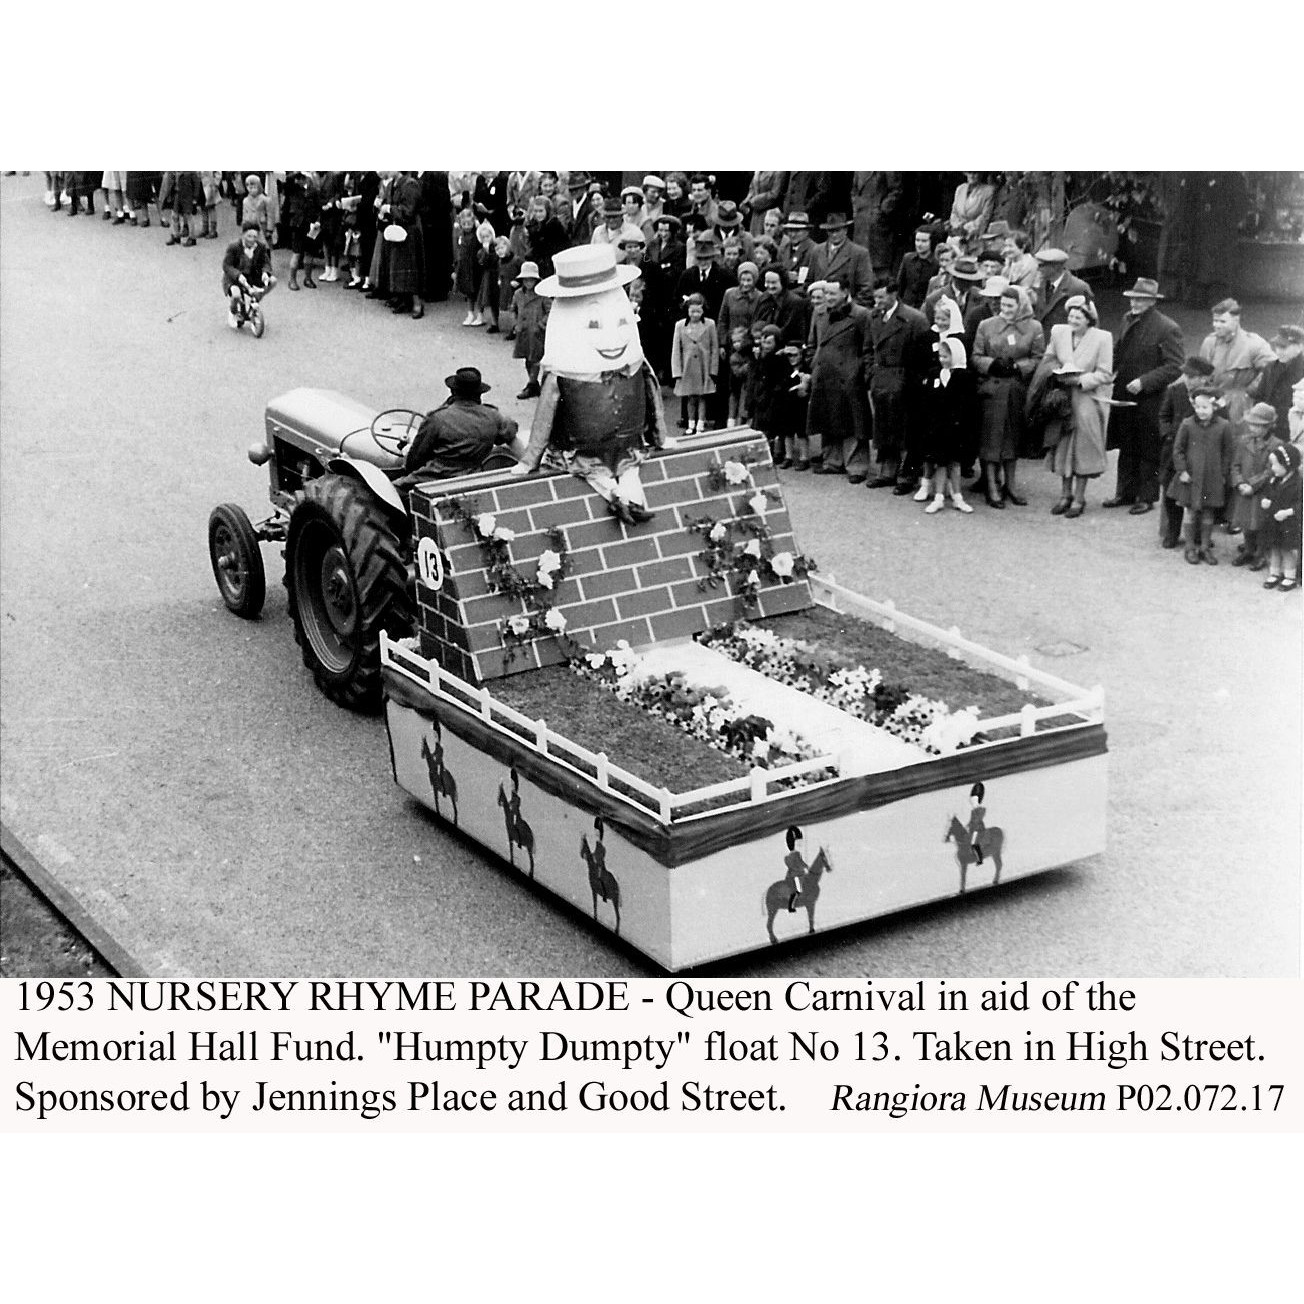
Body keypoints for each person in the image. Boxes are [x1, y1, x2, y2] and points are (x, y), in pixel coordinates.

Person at [515, 244, 670, 525]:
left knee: (620, 467)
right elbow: (547, 410)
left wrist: (530, 460)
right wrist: (529, 460)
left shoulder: (631, 359)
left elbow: (650, 387)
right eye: (594, 324)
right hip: (589, 448)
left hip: (617, 445)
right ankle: (622, 498)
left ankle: (626, 499)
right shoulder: (563, 370)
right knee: (607, 468)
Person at [1105, 277, 1185, 513]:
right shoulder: (1127, 319)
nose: (1135, 303)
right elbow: (1119, 351)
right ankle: (1125, 493)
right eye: (1133, 298)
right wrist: (1106, 371)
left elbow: (1175, 366)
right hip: (1124, 392)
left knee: (1149, 446)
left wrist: (1144, 382)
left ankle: (1146, 497)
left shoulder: (1167, 327)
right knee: (1126, 443)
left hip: (1150, 399)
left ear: (1152, 301)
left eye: (1141, 299)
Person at [1039, 296, 1115, 518]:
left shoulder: (1102, 338)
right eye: (1071, 316)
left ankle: (1079, 497)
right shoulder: (1059, 333)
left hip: (1086, 399)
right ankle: (1065, 495)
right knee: (1063, 447)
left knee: (1083, 449)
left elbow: (1105, 373)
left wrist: (1080, 380)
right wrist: (1058, 371)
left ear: (1089, 320)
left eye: (1078, 318)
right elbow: (1048, 359)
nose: (1072, 321)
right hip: (1063, 398)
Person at [971, 284, 1045, 508]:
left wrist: (1018, 366)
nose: (1005, 309)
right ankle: (991, 486)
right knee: (991, 439)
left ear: (1021, 305)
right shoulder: (986, 325)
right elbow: (976, 355)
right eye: (1002, 304)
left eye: (1010, 305)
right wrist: (992, 364)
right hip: (992, 388)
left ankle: (1010, 485)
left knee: (1012, 437)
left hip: (1015, 389)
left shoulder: (1034, 327)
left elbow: (1039, 357)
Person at [398, 367, 522, 484]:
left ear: (453, 391)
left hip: (434, 478)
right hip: (473, 478)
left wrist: (406, 457)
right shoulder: (494, 417)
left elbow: (414, 461)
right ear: (479, 393)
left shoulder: (437, 418)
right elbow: (511, 437)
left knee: (393, 489)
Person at [866, 277, 932, 492]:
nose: (877, 302)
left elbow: (924, 356)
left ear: (894, 294)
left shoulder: (915, 319)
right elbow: (868, 349)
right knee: (883, 427)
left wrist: (914, 381)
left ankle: (908, 474)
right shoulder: (874, 316)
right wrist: (871, 374)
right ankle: (887, 471)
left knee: (906, 430)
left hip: (905, 381)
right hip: (881, 380)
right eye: (875, 297)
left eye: (881, 297)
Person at [807, 276, 874, 481]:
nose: (828, 297)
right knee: (828, 418)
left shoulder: (861, 315)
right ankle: (832, 461)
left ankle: (857, 467)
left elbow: (867, 347)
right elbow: (813, 342)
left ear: (845, 293)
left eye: (832, 293)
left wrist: (860, 372)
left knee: (854, 422)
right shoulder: (819, 313)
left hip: (849, 376)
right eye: (826, 293)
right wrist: (813, 365)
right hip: (825, 374)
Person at [1168, 384, 1236, 564]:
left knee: (1208, 513)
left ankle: (1205, 547)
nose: (1200, 411)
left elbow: (1228, 452)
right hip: (1191, 476)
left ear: (1214, 407)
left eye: (1205, 407)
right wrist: (1182, 470)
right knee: (1190, 511)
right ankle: (1190, 547)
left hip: (1212, 477)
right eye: (1197, 407)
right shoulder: (1187, 424)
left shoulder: (1224, 426)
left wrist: (1223, 473)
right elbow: (1178, 449)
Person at [1157, 356, 1217, 551]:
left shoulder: (1213, 395)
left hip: (1201, 454)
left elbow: (1221, 420)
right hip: (1175, 451)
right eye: (1186, 375)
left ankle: (1198, 534)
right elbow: (1163, 415)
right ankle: (1172, 532)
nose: (1187, 380)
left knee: (1200, 494)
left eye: (1192, 376)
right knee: (1170, 493)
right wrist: (1168, 434)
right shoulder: (1175, 391)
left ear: (1204, 378)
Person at [917, 335, 976, 514]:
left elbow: (967, 404)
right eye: (940, 356)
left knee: (955, 464)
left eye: (946, 356)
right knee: (941, 463)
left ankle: (957, 497)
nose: (942, 360)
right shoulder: (935, 373)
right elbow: (928, 399)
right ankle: (938, 497)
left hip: (955, 428)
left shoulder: (964, 376)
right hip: (937, 427)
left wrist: (959, 423)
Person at [1230, 403, 1285, 570]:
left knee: (1261, 524)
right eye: (1251, 424)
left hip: (1263, 491)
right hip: (1244, 490)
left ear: (1268, 426)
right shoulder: (1243, 441)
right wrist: (1239, 482)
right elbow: (1235, 465)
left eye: (1257, 425)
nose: (1252, 428)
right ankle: (1248, 550)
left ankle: (1260, 554)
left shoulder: (1276, 445)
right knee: (1246, 522)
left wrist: (1252, 485)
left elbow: (1270, 471)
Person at [1258, 442, 1302, 591]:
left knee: (1287, 550)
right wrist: (1266, 501)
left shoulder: (1298, 483)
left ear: (1287, 465)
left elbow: (1300, 504)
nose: (1273, 468)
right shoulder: (1274, 480)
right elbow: (1268, 494)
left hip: (1289, 523)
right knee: (1275, 547)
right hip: (1274, 521)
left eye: (1276, 464)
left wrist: (1288, 512)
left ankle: (1290, 576)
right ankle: (1274, 573)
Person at [672, 293, 718, 434]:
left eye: (698, 311)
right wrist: (677, 372)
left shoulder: (710, 324)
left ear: (703, 310)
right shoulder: (680, 325)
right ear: (687, 310)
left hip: (704, 367)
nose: (695, 315)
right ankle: (691, 423)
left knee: (702, 397)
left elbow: (714, 348)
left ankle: (701, 423)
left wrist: (713, 370)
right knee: (690, 397)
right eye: (692, 311)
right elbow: (676, 350)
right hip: (687, 367)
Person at [808, 211, 874, 307]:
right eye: (831, 231)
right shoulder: (817, 251)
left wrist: (849, 308)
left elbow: (866, 288)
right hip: (819, 307)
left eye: (838, 231)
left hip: (846, 309)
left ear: (845, 230)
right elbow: (809, 282)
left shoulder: (859, 253)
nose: (834, 235)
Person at [221, 220, 277, 330]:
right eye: (249, 236)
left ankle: (257, 298)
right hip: (234, 278)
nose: (252, 239)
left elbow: (266, 263)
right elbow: (226, 265)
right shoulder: (234, 247)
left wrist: (265, 273)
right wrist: (238, 275)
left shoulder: (261, 247)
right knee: (236, 295)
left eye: (255, 237)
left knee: (273, 281)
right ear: (243, 235)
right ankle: (233, 311)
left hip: (252, 276)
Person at [1251, 325, 1304, 440]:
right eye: (1276, 346)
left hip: (1294, 433)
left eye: (1284, 347)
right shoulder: (1271, 368)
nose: (1278, 351)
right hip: (1268, 431)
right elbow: (1259, 397)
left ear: (1299, 347)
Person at [1034, 248, 1091, 333]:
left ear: (1055, 267)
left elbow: (1090, 319)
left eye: (1041, 265)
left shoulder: (1079, 287)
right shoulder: (1042, 284)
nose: (1037, 269)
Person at [948, 172, 995, 250]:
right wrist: (957, 226)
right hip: (957, 235)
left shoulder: (989, 191)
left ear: (981, 174)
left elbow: (985, 216)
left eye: (975, 173)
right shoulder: (960, 189)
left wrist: (966, 228)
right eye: (969, 172)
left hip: (975, 236)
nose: (972, 176)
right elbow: (954, 212)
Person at [896, 227, 938, 310]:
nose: (919, 244)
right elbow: (900, 284)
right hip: (905, 305)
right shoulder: (908, 258)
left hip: (924, 307)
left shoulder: (936, 263)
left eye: (924, 241)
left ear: (931, 242)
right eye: (917, 240)